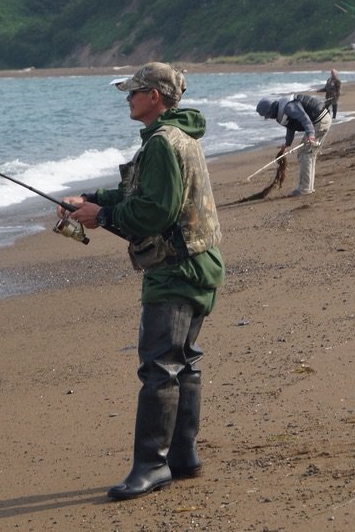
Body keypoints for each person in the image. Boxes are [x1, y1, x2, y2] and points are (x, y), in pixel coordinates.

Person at [57, 62, 224, 501]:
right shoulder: (177, 137)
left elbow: (155, 213)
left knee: (158, 367)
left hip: (175, 269)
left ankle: (151, 465)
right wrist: (93, 200)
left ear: (155, 96)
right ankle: (183, 457)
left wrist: (103, 217)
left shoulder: (162, 145)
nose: (127, 98)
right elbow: (145, 195)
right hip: (199, 263)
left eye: (134, 92)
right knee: (183, 361)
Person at [255, 93, 331, 196]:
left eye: (267, 115)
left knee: (305, 153)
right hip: (319, 121)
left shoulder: (288, 107)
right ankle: (308, 187)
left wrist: (310, 134)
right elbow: (291, 126)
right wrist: (287, 143)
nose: (269, 118)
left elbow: (304, 118)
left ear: (270, 111)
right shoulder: (282, 110)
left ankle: (305, 189)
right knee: (309, 153)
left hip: (319, 121)